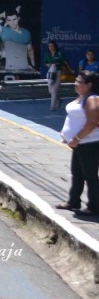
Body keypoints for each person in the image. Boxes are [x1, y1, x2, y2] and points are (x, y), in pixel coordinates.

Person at [55, 72, 99, 216]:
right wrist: (67, 136)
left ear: (89, 85)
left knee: (90, 175)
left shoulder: (92, 99)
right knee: (77, 173)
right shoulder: (82, 97)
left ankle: (94, 206)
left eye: (79, 82)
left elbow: (92, 123)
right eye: (76, 81)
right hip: (79, 143)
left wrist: (77, 138)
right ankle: (73, 201)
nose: (76, 84)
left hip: (88, 143)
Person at [0, 5, 35, 73]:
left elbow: (30, 50)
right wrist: (2, 14)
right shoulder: (3, 31)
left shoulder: (26, 32)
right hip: (10, 69)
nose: (12, 22)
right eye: (9, 20)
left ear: (18, 18)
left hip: (25, 69)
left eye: (14, 19)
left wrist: (33, 66)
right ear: (7, 20)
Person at [45, 40, 70, 112]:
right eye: (49, 46)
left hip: (58, 72)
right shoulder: (47, 54)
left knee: (54, 90)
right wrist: (48, 65)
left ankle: (53, 106)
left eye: (52, 46)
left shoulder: (59, 53)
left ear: (55, 46)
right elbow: (45, 63)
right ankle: (58, 99)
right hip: (50, 72)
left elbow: (64, 62)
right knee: (50, 90)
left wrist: (59, 64)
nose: (51, 47)